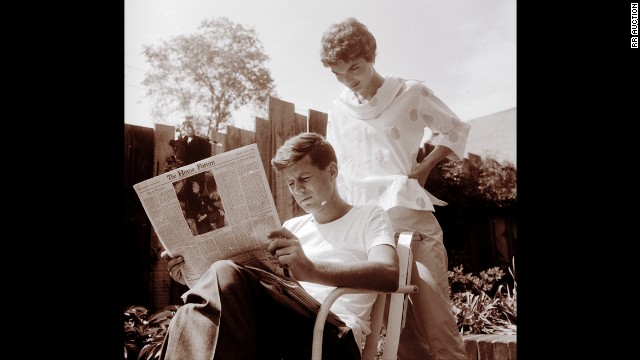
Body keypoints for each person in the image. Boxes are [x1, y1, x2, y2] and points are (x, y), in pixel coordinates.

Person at [158, 132, 400, 360]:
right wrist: (193, 276)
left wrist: (312, 271)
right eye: (291, 184)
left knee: (224, 272)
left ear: (332, 171)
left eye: (304, 178)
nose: (298, 190)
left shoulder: (369, 216)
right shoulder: (292, 226)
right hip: (280, 328)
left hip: (331, 333)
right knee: (191, 311)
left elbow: (389, 275)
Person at [320, 18, 471, 360]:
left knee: (438, 323)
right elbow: (337, 171)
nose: (348, 79)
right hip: (369, 229)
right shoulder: (338, 109)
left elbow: (455, 129)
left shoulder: (409, 91)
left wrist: (422, 169)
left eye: (354, 68)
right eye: (338, 74)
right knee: (398, 334)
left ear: (371, 55)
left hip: (411, 218)